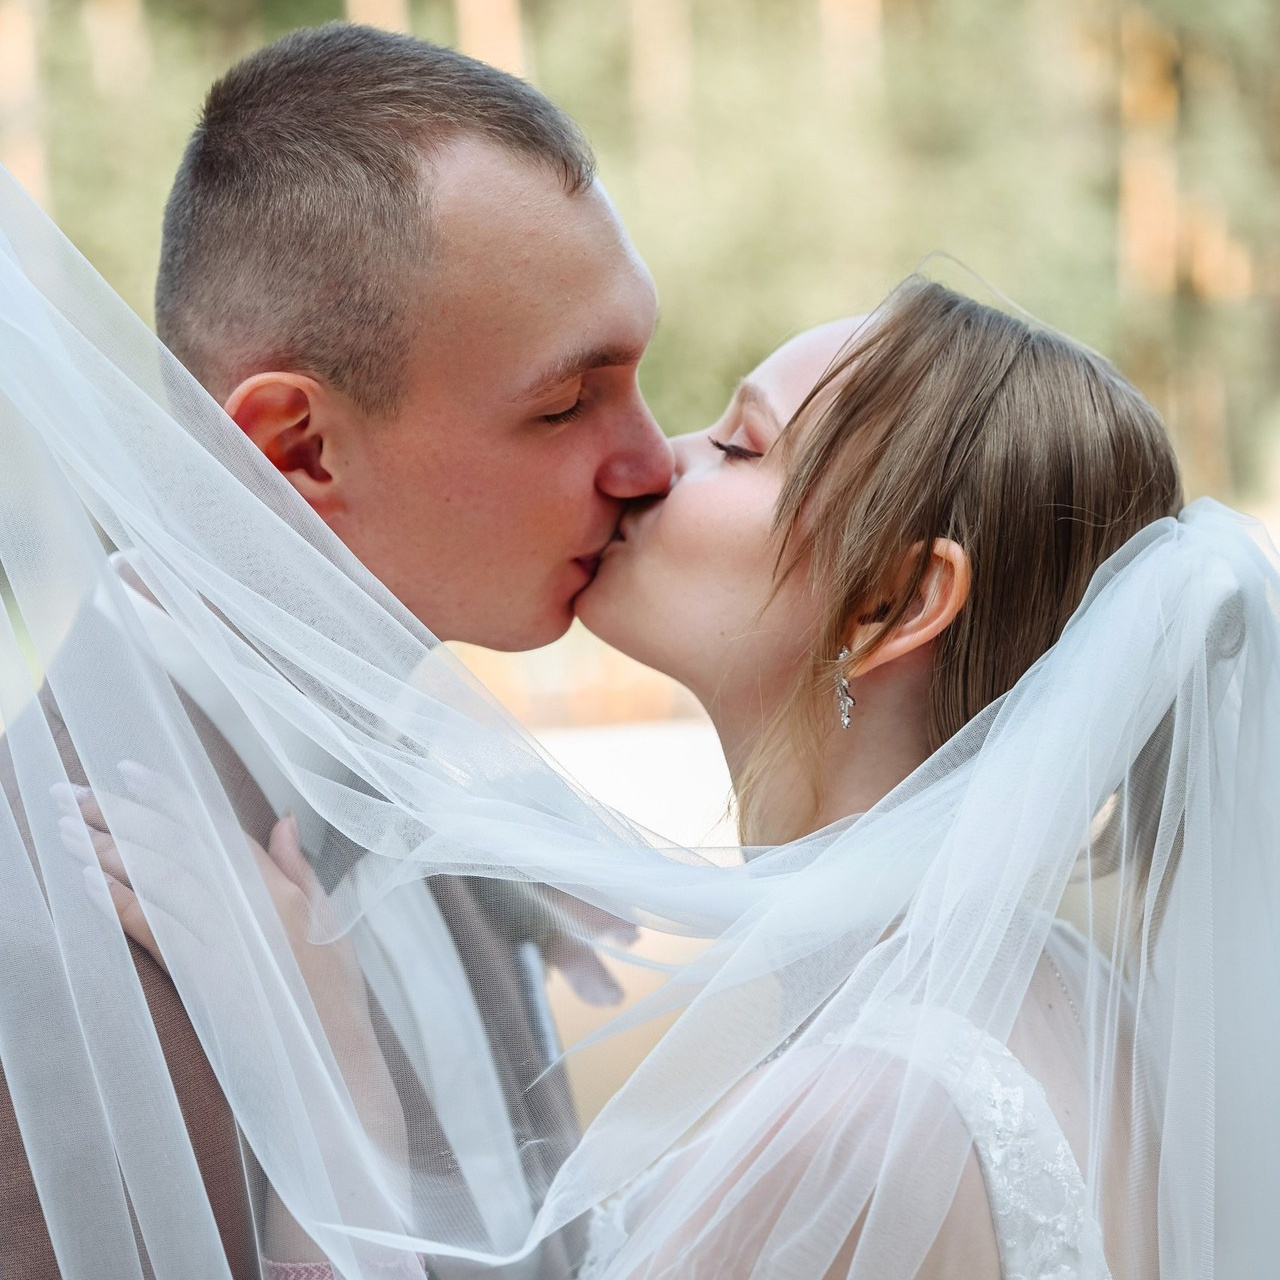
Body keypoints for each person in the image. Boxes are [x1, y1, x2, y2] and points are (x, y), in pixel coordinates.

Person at [77, 277, 1280, 1277]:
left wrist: (328, 1083)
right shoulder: (1081, 1009)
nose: (653, 459)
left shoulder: (855, 1121)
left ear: (896, 602)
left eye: (739, 444)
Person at [0, 21, 671, 1280]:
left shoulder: (458, 808)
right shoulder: (36, 911)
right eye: (566, 402)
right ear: (300, 446)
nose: (649, 465)